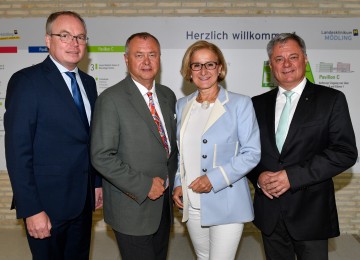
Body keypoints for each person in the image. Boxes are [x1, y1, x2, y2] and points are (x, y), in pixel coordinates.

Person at [248, 33, 358, 260]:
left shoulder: (331, 99)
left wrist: (292, 177)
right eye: (279, 59)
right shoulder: (256, 104)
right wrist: (259, 177)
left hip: (311, 213)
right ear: (271, 65)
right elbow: (246, 152)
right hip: (269, 212)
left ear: (305, 59)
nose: (286, 64)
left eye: (293, 57)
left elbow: (345, 152)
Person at [4, 11, 102, 260]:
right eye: (65, 35)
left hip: (82, 201)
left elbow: (90, 140)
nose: (74, 43)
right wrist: (32, 209)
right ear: (48, 40)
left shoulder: (89, 83)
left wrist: (97, 183)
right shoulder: (27, 81)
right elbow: (18, 151)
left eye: (80, 37)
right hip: (46, 206)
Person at [90, 32, 178, 260]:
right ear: (126, 59)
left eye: (152, 54)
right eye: (139, 55)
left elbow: (171, 149)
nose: (146, 61)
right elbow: (101, 156)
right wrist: (143, 185)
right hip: (132, 206)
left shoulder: (168, 96)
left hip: (163, 207)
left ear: (159, 58)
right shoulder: (111, 99)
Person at [172, 40, 261, 260]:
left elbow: (252, 153)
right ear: (189, 70)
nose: (203, 71)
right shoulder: (182, 105)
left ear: (220, 68)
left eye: (210, 64)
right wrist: (177, 183)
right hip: (191, 202)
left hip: (227, 200)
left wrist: (214, 178)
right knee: (203, 257)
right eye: (196, 65)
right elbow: (181, 153)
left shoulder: (241, 104)